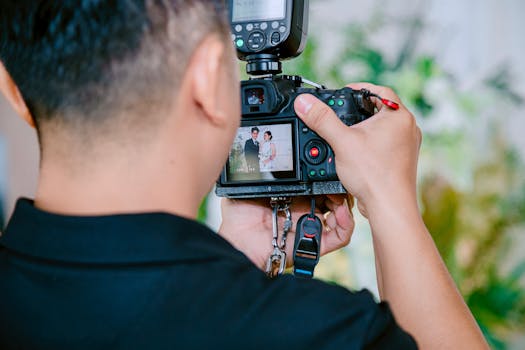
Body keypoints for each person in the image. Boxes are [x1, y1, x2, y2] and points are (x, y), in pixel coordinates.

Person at [0, 1, 489, 349]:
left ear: (12, 90)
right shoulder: (323, 331)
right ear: (210, 78)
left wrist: (231, 263)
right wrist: (391, 204)